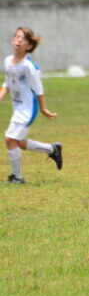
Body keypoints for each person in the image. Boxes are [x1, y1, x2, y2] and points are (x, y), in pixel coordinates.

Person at [1, 27, 62, 184]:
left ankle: (17, 177)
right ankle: (52, 149)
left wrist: (43, 109)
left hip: (28, 109)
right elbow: (7, 83)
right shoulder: (7, 61)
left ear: (29, 46)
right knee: (19, 143)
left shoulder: (29, 67)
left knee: (9, 140)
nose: (18, 40)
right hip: (17, 108)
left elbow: (38, 89)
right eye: (16, 37)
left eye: (23, 39)